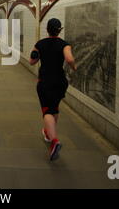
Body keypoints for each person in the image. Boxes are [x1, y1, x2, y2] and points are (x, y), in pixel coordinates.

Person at [29, 18, 77, 161]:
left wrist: (38, 53)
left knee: (47, 111)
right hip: (60, 82)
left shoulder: (40, 44)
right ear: (59, 30)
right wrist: (74, 67)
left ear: (47, 29)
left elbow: (32, 61)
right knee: (54, 108)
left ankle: (54, 141)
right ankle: (48, 132)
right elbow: (69, 59)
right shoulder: (65, 45)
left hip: (45, 82)